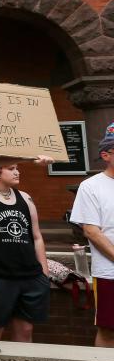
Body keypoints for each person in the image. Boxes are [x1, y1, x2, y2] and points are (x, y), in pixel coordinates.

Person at [0, 164, 50, 342]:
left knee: (25, 329)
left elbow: (37, 236)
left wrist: (44, 273)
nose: (17, 172)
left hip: (29, 276)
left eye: (18, 168)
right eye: (11, 168)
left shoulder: (25, 198)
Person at [69, 122, 114, 348]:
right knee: (109, 328)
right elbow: (92, 232)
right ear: (106, 154)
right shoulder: (91, 186)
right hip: (109, 272)